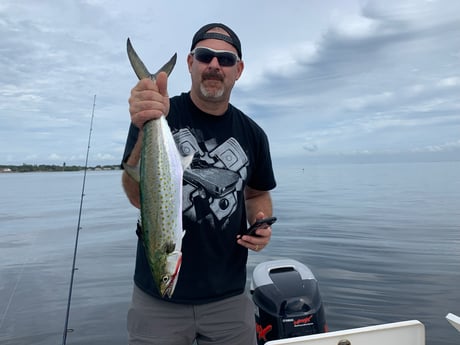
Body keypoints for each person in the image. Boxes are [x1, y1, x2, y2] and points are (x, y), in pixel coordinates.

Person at [121, 23, 277, 345]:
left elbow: (258, 193)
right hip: (157, 301)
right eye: (205, 56)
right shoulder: (159, 114)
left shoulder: (253, 134)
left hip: (228, 300)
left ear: (239, 70)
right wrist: (143, 124)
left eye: (226, 59)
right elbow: (136, 196)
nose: (215, 66)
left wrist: (260, 223)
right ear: (191, 64)